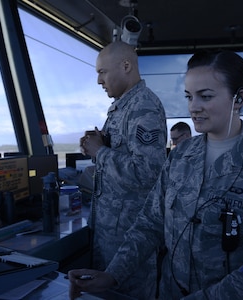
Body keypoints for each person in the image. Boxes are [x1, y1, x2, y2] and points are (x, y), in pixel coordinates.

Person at [69, 49, 243, 300]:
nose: (194, 107)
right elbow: (149, 225)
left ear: (239, 99)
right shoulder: (181, 157)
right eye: (189, 97)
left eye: (205, 96)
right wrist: (112, 274)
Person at [78, 41, 167, 299]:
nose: (98, 80)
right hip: (111, 233)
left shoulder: (144, 107)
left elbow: (148, 173)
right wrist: (102, 144)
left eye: (102, 72)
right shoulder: (123, 106)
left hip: (130, 237)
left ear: (126, 66)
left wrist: (101, 152)